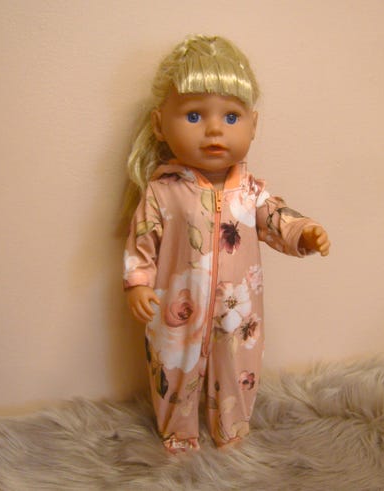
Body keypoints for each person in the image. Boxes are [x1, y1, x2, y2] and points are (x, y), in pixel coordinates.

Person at [123, 35, 330, 454]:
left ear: (253, 124)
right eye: (194, 115)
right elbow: (142, 241)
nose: (215, 129)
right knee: (173, 371)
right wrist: (138, 284)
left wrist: (304, 232)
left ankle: (231, 430)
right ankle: (178, 433)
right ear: (160, 124)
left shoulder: (250, 192)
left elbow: (277, 217)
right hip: (176, 311)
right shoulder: (163, 192)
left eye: (231, 117)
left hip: (240, 313)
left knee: (237, 369)